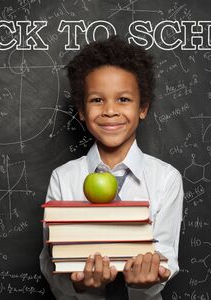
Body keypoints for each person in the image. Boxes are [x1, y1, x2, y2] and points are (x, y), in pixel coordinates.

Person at [39, 35, 183, 300]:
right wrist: (80, 285)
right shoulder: (63, 178)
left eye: (124, 100)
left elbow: (168, 258)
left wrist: (147, 279)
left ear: (143, 107)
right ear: (81, 110)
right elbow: (51, 263)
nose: (110, 111)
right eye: (96, 100)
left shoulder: (166, 178)